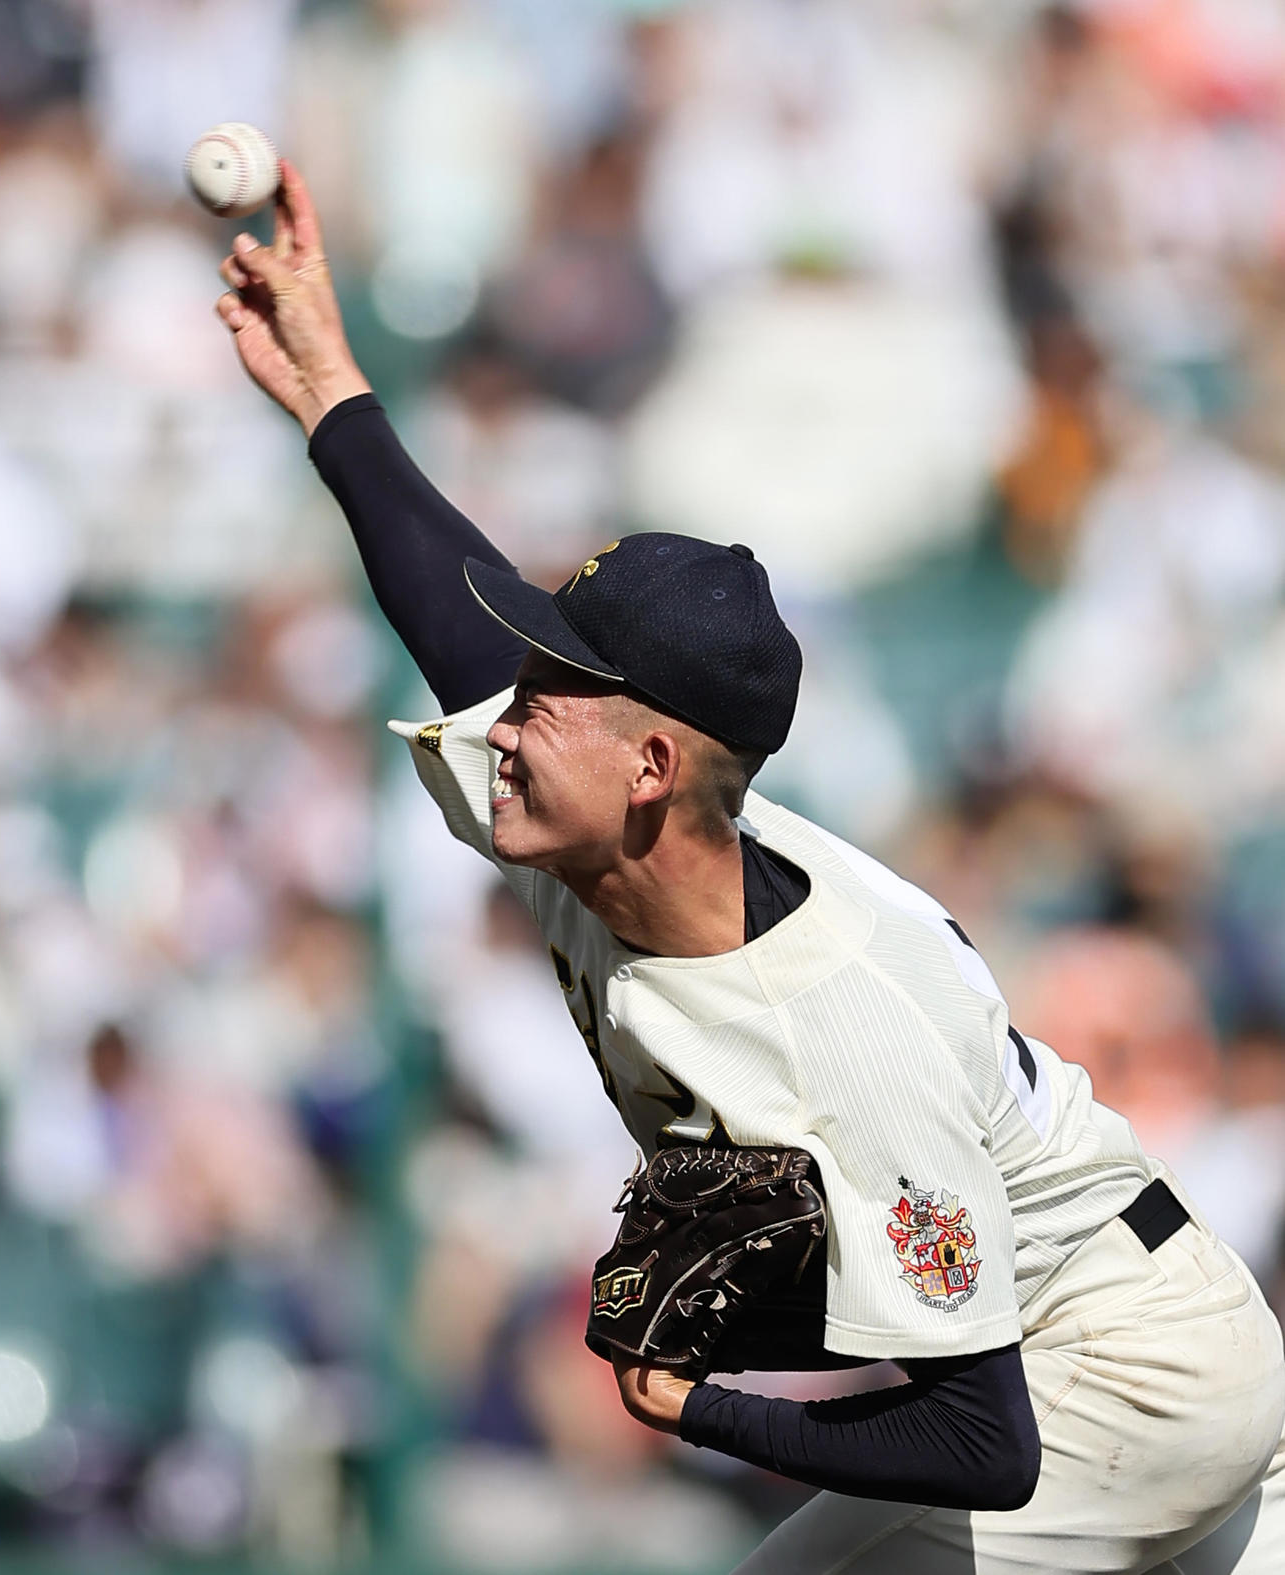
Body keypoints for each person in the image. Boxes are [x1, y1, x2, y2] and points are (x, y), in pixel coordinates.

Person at [212, 163, 1285, 1574]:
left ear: (656, 766)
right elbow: (454, 616)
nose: (507, 719)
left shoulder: (837, 1015)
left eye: (553, 694)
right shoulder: (594, 826)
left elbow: (986, 1444)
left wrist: (701, 1407)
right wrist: (332, 396)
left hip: (1121, 1373)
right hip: (1109, 1334)